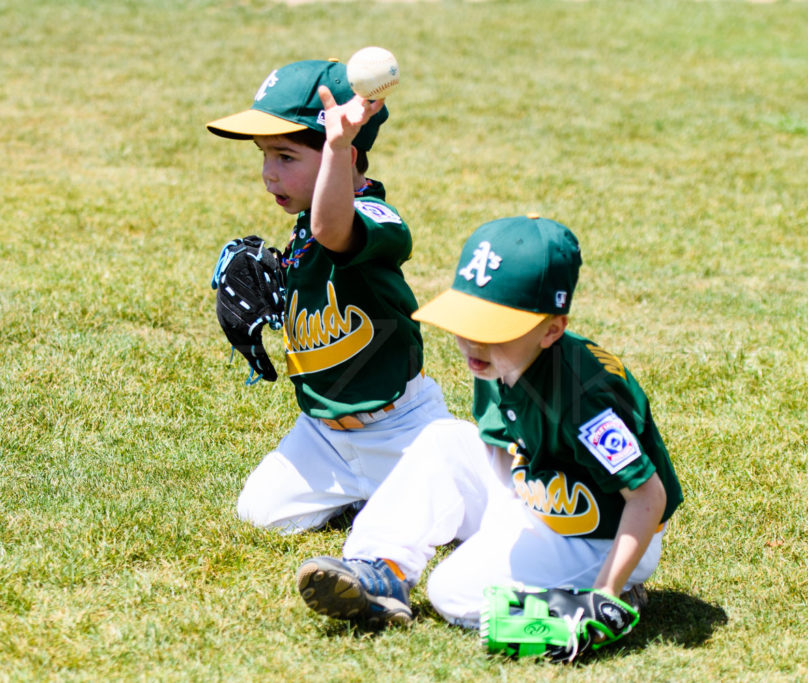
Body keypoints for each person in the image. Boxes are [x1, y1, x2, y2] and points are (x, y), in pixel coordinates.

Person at [295, 214, 683, 631]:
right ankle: (382, 569)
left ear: (552, 329)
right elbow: (500, 445)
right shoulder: (501, 362)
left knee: (452, 593)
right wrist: (503, 526)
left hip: (601, 534)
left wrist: (603, 594)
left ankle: (614, 598)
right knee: (443, 438)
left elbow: (647, 497)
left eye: (493, 328)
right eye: (467, 320)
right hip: (540, 493)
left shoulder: (583, 395)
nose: (473, 342)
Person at [205, 59, 453, 533]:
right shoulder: (305, 231)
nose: (268, 174)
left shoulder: (377, 217)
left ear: (349, 153)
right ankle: (363, 498)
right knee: (259, 514)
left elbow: (333, 229)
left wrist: (336, 147)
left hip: (402, 429)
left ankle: (393, 493)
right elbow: (316, 239)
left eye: (286, 157)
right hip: (323, 435)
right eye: (264, 155)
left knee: (451, 525)